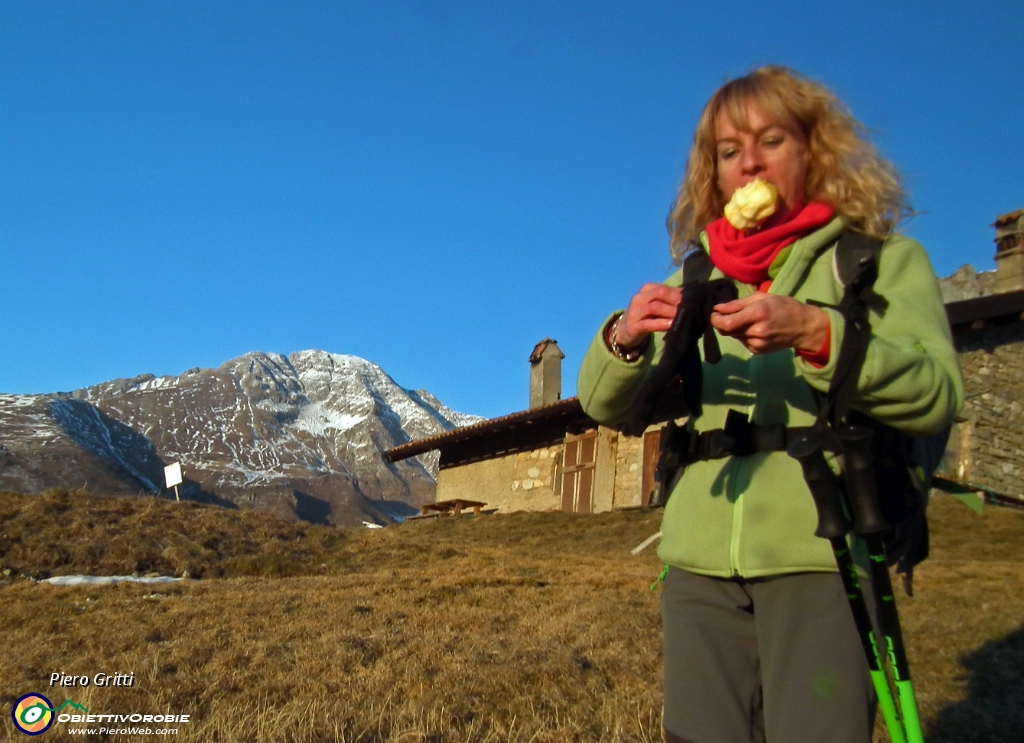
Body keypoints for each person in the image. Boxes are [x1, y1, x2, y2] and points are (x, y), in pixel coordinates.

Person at [576, 66, 963, 743]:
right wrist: (624, 334)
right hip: (697, 559)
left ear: (814, 150)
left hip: (823, 552)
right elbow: (602, 404)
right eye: (728, 151)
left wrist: (818, 333)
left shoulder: (878, 262)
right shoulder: (697, 274)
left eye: (770, 140)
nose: (749, 161)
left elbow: (936, 396)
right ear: (713, 174)